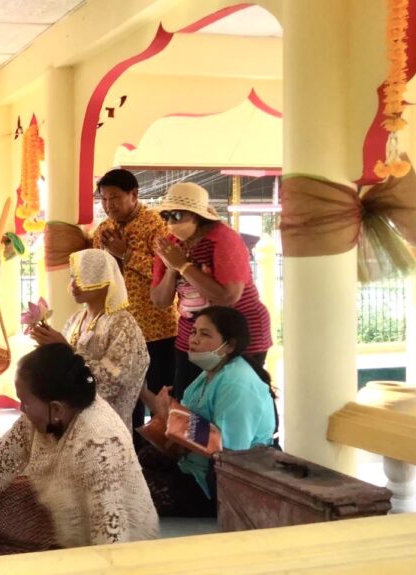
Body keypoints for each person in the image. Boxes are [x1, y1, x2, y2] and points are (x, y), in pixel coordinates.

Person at [0, 343, 158, 558]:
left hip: (122, 554)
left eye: (25, 402)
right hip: (70, 527)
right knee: (2, 495)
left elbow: (111, 540)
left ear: (56, 409)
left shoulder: (98, 443)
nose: (21, 409)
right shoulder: (45, 415)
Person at [139, 306, 276, 517]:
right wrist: (145, 394)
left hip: (221, 481)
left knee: (133, 495)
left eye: (204, 334)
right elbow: (185, 417)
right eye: (193, 332)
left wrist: (171, 418)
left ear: (229, 345)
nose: (193, 340)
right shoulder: (210, 373)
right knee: (141, 460)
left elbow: (228, 451)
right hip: (195, 464)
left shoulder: (237, 383)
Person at [150, 182, 272, 400]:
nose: (170, 223)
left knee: (237, 399)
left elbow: (228, 297)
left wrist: (184, 267)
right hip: (193, 336)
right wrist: (171, 269)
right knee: (189, 401)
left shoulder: (223, 239)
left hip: (238, 335)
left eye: (176, 215)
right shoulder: (170, 245)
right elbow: (160, 301)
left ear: (197, 216)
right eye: (165, 216)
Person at [91, 169, 178, 445]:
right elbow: (98, 276)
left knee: (161, 397)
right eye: (104, 199)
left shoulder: (155, 226)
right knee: (125, 396)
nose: (109, 205)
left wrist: (125, 254)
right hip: (118, 332)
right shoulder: (103, 231)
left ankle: (164, 456)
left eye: (115, 197)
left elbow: (168, 271)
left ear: (134, 194)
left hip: (157, 329)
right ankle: (130, 453)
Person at [27, 249, 148, 431]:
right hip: (70, 421)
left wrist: (68, 349)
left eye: (83, 277)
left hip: (105, 427)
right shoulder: (75, 319)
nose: (73, 285)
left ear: (104, 278)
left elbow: (113, 380)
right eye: (73, 277)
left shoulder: (122, 323)